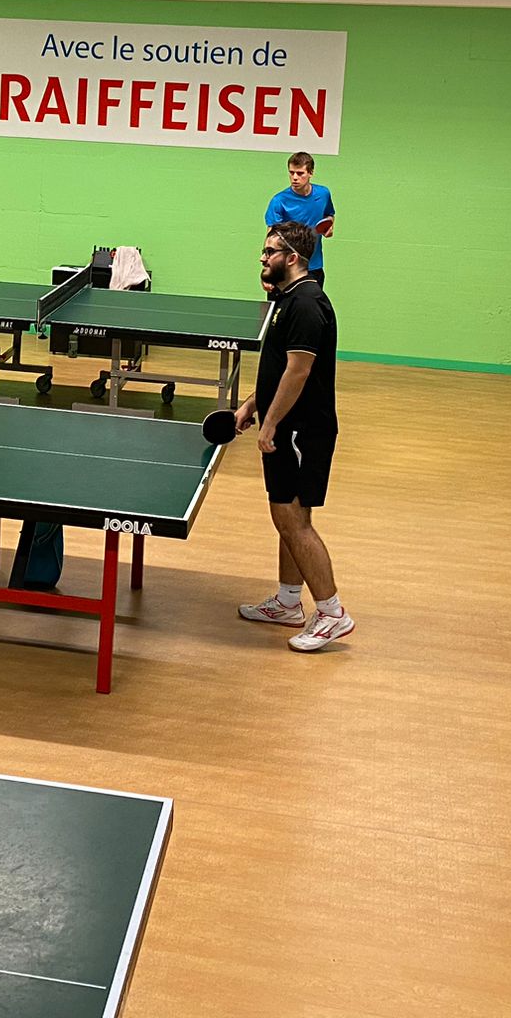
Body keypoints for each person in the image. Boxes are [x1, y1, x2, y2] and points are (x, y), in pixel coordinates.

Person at [235, 220, 353, 652]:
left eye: (270, 251)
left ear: (292, 257)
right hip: (288, 425)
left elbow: (299, 371)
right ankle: (288, 602)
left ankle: (332, 613)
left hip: (302, 431)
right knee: (287, 517)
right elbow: (278, 368)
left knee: (295, 522)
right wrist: (252, 405)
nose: (263, 258)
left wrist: (270, 425)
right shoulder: (288, 299)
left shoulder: (306, 304)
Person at [265, 152, 335, 285]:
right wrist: (269, 271)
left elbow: (329, 214)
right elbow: (271, 238)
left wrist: (329, 227)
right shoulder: (279, 200)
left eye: (300, 173)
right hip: (286, 268)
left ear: (311, 173)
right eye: (291, 173)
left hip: (314, 267)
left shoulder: (323, 194)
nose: (294, 178)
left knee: (313, 299)